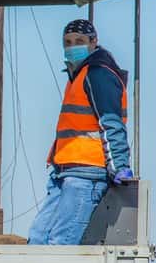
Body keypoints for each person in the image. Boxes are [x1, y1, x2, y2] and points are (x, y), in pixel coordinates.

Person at [28, 19, 133, 245]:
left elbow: (111, 123)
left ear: (93, 42)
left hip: (86, 174)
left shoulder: (98, 74)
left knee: (61, 243)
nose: (72, 46)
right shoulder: (79, 74)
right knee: (38, 239)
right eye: (67, 42)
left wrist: (120, 166)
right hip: (65, 172)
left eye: (79, 41)